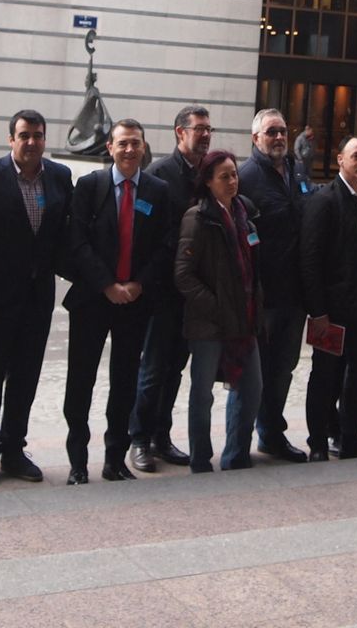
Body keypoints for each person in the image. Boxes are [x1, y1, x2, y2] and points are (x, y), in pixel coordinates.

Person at [0, 110, 73, 486]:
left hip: (38, 296)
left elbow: (63, 231)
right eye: (24, 135)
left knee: (26, 376)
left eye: (38, 135)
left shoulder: (59, 176)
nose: (32, 142)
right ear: (11, 139)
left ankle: (14, 450)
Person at [62, 119, 174, 483]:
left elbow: (165, 245)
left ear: (144, 148)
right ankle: (78, 462)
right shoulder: (89, 187)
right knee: (81, 381)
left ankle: (115, 459)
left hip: (136, 303)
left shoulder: (158, 190)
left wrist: (139, 284)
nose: (129, 150)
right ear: (109, 148)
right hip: (93, 300)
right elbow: (76, 243)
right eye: (122, 143)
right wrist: (107, 285)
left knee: (125, 382)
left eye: (135, 143)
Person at [128, 104, 210, 473]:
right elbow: (146, 235)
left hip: (196, 293)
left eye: (209, 129)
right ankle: (139, 438)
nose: (206, 135)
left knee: (176, 368)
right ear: (180, 133)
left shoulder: (210, 174)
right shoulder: (159, 174)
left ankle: (162, 435)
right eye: (199, 129)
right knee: (153, 369)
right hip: (163, 292)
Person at [176, 150, 264, 472]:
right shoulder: (197, 217)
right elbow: (183, 275)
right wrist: (216, 307)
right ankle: (201, 459)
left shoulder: (244, 213)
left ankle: (236, 455)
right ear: (209, 182)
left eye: (234, 174)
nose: (232, 181)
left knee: (252, 387)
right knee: (202, 393)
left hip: (244, 319)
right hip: (208, 324)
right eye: (224, 176)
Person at [300, 136, 357, 461]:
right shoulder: (324, 201)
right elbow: (310, 259)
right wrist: (317, 311)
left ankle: (350, 437)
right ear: (340, 159)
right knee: (325, 376)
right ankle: (319, 443)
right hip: (331, 309)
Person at [240, 108, 309, 464]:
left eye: (283, 131)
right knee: (257, 372)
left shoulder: (298, 171)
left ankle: (271, 434)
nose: (279, 138)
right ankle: (240, 441)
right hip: (263, 296)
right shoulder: (245, 177)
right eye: (271, 133)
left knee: (284, 368)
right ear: (256, 139)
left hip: (295, 295)